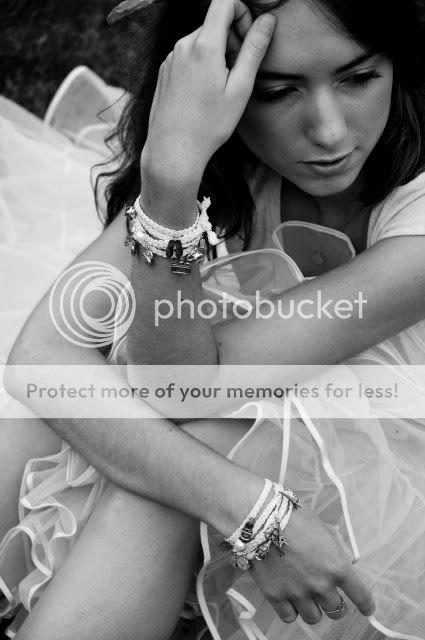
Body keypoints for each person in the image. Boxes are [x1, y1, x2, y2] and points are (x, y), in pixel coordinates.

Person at [1, 0, 425, 639]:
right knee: (44, 416)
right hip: (226, 402)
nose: (331, 132)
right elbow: (39, 359)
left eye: (360, 77)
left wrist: (170, 187)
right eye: (279, 91)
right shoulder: (229, 163)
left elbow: (181, 390)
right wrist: (172, 172)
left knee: (198, 436)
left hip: (396, 456)